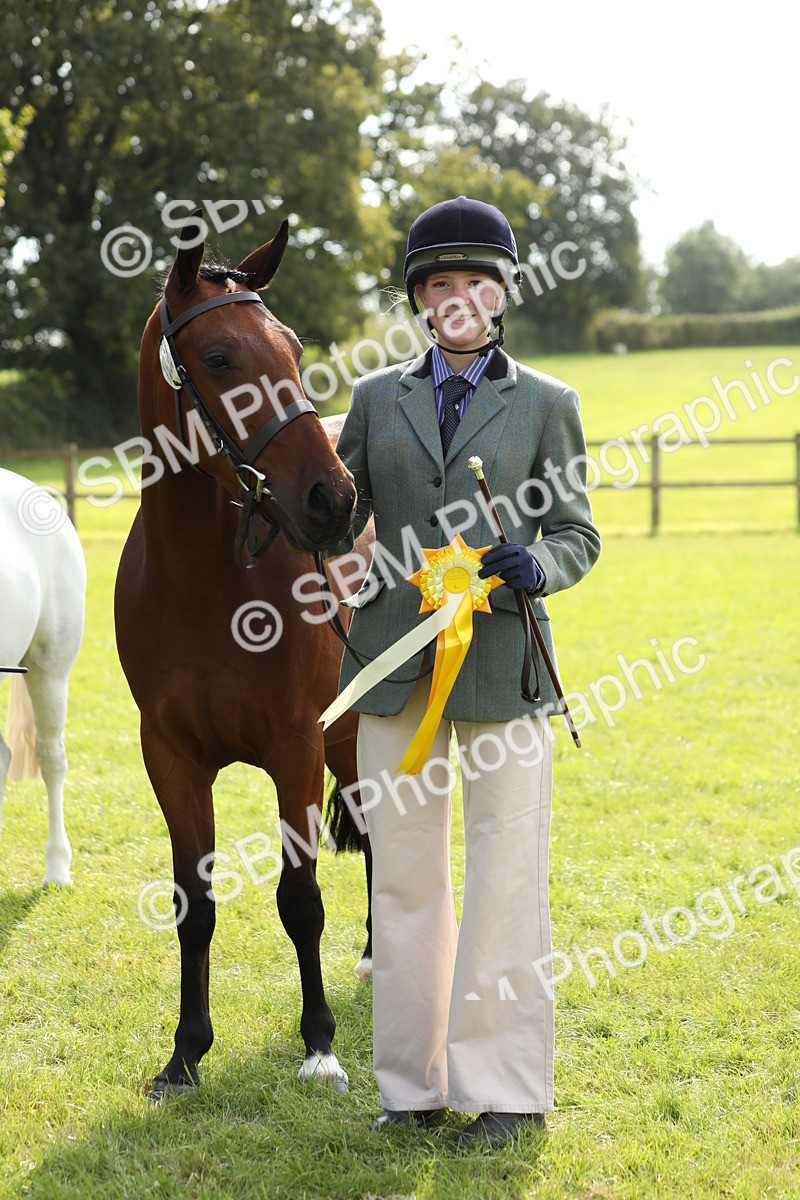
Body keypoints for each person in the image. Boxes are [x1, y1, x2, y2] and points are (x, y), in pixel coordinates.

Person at [332, 195, 601, 1147]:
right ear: (419, 298)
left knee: (503, 880)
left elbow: (578, 533)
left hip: (504, 672)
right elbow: (339, 510)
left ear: (501, 295)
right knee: (402, 884)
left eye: (472, 282)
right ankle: (413, 1085)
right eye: (436, 283)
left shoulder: (547, 405)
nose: (454, 298)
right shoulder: (372, 401)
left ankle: (509, 1086)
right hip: (395, 663)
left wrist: (544, 564)